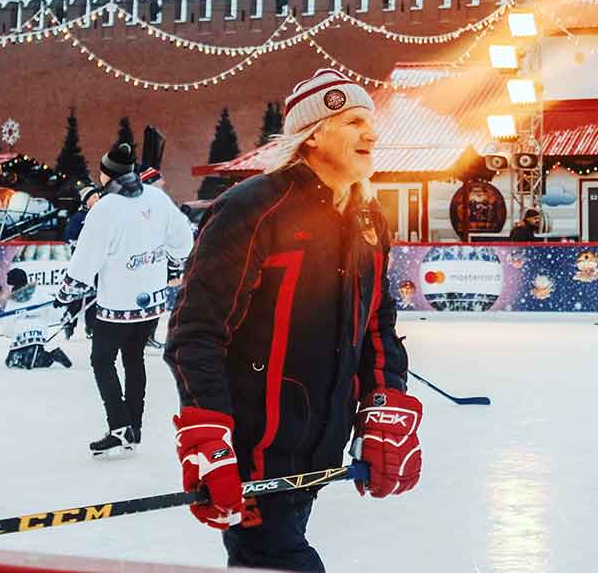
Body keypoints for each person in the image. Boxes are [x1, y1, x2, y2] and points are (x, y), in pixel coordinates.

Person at [166, 68, 418, 571]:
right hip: (254, 452)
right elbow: (197, 332)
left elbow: (377, 326)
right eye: (351, 121)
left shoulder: (367, 217)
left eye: (369, 121)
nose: (370, 134)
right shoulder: (254, 207)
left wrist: (383, 406)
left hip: (319, 447)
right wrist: (209, 435)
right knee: (277, 558)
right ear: (313, 133)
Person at [56, 141, 195, 457]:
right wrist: (171, 258)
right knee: (133, 360)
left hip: (117, 306)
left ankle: (119, 426)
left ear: (107, 175)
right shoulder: (157, 199)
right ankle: (134, 427)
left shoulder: (105, 208)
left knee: (101, 359)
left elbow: (85, 259)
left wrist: (67, 290)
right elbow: (183, 241)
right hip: (151, 303)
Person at [3, 268, 73, 371]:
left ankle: (53, 355)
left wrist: (63, 317)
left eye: (11, 286)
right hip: (19, 338)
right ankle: (42, 356)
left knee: (30, 363)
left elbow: (53, 308)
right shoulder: (17, 299)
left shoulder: (37, 295)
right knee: (10, 362)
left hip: (35, 335)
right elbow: (55, 308)